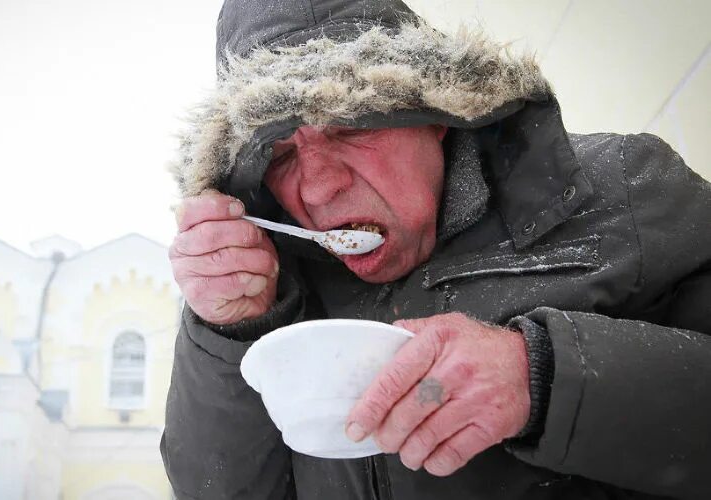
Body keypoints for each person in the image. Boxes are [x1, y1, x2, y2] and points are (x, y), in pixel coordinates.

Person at [161, 0, 711, 498]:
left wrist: (545, 378)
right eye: (279, 155)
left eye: (350, 126)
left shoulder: (625, 188)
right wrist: (229, 332)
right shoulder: (274, 287)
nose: (317, 187)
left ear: (432, 112)